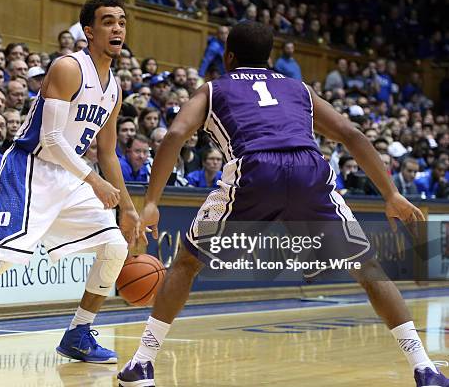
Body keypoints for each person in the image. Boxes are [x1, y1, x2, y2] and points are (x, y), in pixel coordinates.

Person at [117, 20, 449, 387]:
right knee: (368, 268)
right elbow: (351, 134)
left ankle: (142, 363)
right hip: (309, 168)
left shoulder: (213, 89)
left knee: (187, 263)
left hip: (255, 168)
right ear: (270, 57)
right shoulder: (298, 89)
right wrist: (391, 194)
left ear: (228, 57)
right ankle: (423, 367)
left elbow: (177, 134)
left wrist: (151, 202)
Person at [0, 0, 144, 367]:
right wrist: (95, 182)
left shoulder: (114, 88)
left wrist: (129, 209)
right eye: (108, 21)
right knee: (1, 257)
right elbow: (51, 140)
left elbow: (108, 151)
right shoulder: (69, 68)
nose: (118, 28)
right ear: (89, 31)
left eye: (122, 22)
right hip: (30, 168)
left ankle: (78, 334)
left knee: (115, 245)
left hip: (70, 177)